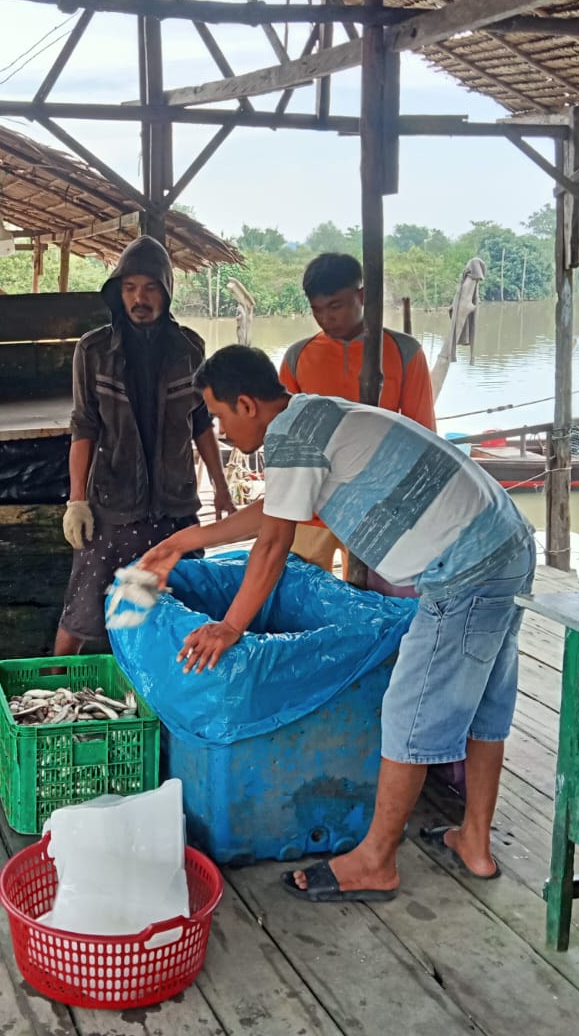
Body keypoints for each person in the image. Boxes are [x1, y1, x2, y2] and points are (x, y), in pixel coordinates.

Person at [139, 345, 534, 903]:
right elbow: (277, 512)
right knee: (485, 704)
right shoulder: (313, 415)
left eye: (220, 416)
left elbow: (274, 544)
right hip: (506, 545)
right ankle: (473, 839)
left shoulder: (289, 440)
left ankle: (375, 861)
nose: (221, 431)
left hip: (464, 569)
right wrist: (186, 540)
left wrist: (229, 627)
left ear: (247, 404)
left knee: (408, 711)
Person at [57, 236, 235, 656]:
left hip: (174, 504)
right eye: (130, 287)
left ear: (167, 291)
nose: (140, 298)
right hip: (113, 503)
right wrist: (76, 500)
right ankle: (49, 686)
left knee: (169, 606)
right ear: (118, 293)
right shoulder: (93, 349)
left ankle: (155, 691)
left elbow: (200, 421)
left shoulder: (190, 348)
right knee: (84, 609)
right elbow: (84, 424)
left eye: (151, 287)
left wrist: (222, 487)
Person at [279, 253, 437, 577]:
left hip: (377, 509)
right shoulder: (297, 358)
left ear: (362, 296)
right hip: (313, 509)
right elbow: (284, 438)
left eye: (335, 306)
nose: (325, 318)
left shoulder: (404, 352)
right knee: (302, 593)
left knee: (372, 598)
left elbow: (422, 434)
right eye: (316, 310)